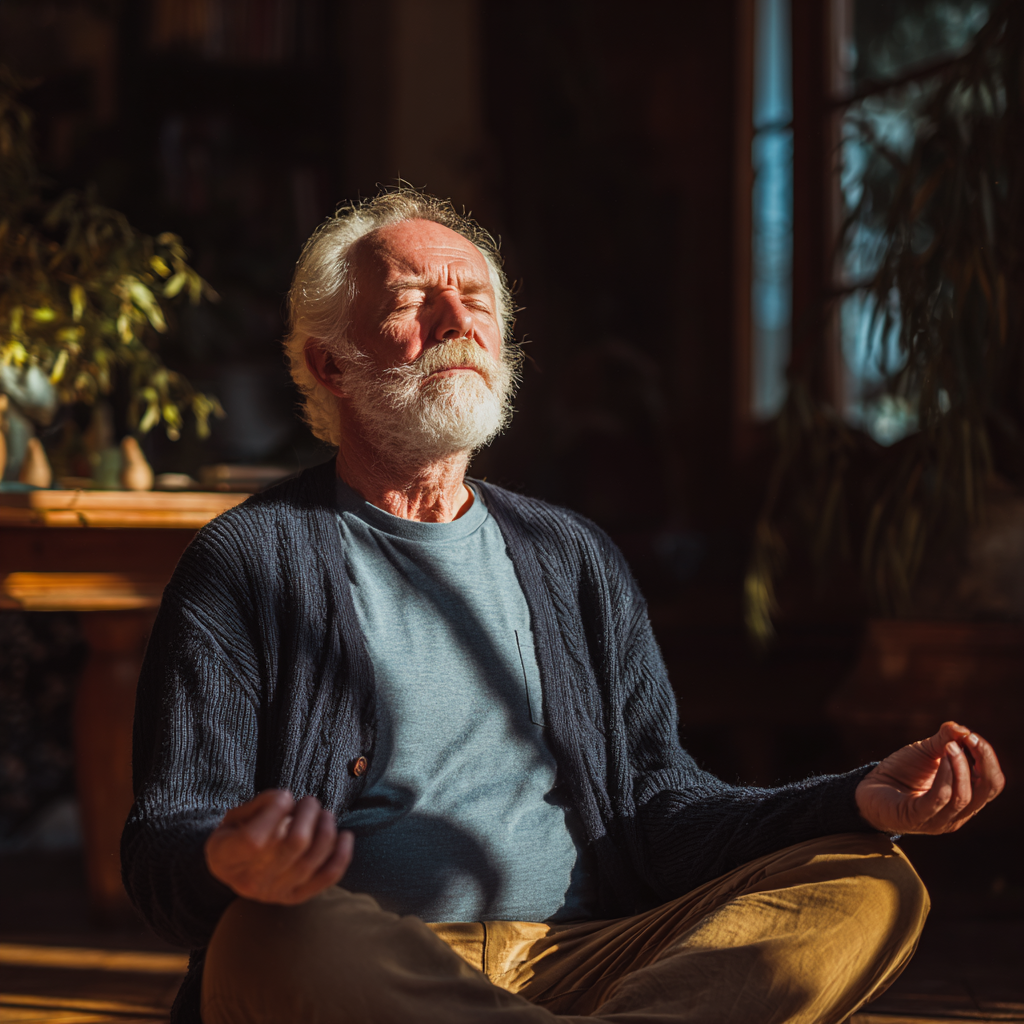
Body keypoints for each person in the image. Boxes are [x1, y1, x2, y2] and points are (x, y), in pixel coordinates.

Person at [121, 189, 1004, 1024]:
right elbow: (165, 837)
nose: (457, 321)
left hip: (592, 957)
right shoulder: (246, 562)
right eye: (413, 300)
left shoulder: (571, 555)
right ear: (330, 364)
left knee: (871, 885)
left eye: (476, 299)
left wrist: (851, 798)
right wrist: (228, 859)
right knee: (262, 941)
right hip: (370, 958)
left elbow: (661, 810)